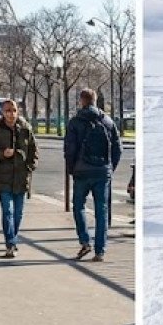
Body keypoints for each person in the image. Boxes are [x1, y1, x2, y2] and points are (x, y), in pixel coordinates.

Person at [63, 89, 122, 263]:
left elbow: (69, 149)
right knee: (101, 211)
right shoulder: (107, 121)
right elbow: (118, 148)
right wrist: (110, 168)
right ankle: (100, 250)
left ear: (81, 101)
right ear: (96, 101)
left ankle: (84, 241)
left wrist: (72, 169)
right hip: (102, 172)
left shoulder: (75, 122)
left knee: (79, 206)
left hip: (82, 171)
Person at [0, 100, 37, 258]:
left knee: (18, 213)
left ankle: (13, 238)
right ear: (2, 112)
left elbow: (33, 151)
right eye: (8, 110)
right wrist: (2, 154)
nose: (11, 113)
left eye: (14, 110)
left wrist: (30, 167)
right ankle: (10, 243)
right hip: (3, 176)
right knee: (7, 211)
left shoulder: (25, 128)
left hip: (21, 177)